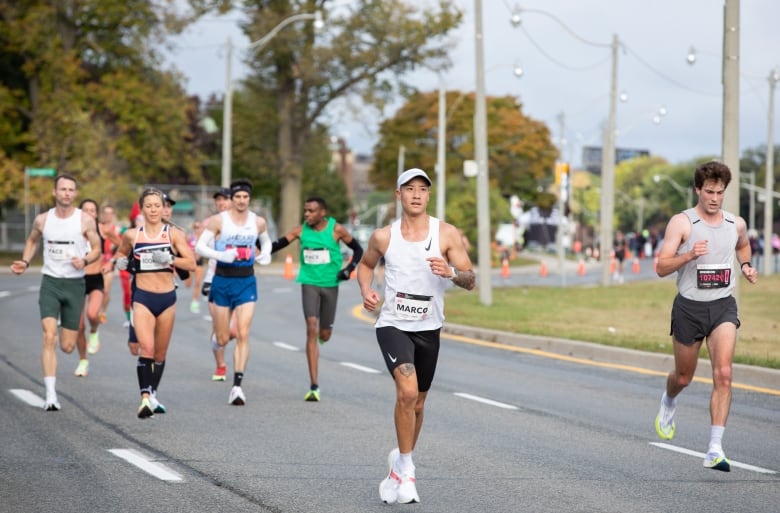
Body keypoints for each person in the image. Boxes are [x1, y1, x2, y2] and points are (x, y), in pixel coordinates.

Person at [356, 168, 475, 504]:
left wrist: (451, 272)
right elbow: (365, 266)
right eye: (410, 189)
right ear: (399, 195)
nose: (417, 195)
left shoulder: (446, 234)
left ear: (428, 195)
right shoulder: (384, 236)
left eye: (423, 189)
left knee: (418, 402)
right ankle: (407, 469)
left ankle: (399, 463)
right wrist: (366, 290)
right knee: (407, 391)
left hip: (429, 327)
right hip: (393, 323)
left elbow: (470, 278)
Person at [653, 160, 757, 472]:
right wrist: (688, 255)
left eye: (719, 192)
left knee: (724, 374)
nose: (714, 198)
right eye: (708, 191)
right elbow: (660, 267)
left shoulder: (734, 223)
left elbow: (743, 245)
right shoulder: (682, 223)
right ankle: (669, 400)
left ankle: (714, 448)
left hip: (723, 305)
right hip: (689, 308)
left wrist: (747, 266)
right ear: (698, 190)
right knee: (684, 376)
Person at [10, 174, 102, 411]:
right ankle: (51, 395)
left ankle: (64, 324)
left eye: (71, 190)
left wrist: (84, 259)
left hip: (74, 285)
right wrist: (25, 261)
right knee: (48, 337)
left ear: (75, 194)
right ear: (55, 192)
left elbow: (97, 248)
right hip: (50, 282)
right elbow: (31, 241)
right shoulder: (43, 220)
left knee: (67, 346)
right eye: (63, 189)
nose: (67, 193)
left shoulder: (85, 221)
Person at [107, 187, 196, 418]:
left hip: (167, 298)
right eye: (149, 206)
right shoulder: (132, 235)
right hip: (143, 296)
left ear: (162, 207)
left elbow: (192, 264)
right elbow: (120, 255)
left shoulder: (173, 234)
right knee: (146, 348)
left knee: (160, 354)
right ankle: (144, 397)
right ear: (142, 208)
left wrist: (171, 258)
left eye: (157, 205)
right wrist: (120, 263)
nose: (154, 210)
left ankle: (153, 393)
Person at [270, 196, 364, 401]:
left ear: (322, 212)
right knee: (311, 327)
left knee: (324, 333)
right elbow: (277, 245)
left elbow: (358, 249)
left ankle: (324, 334)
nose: (307, 214)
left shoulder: (336, 229)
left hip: (331, 283)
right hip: (309, 282)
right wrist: (258, 249)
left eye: (311, 211)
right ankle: (314, 385)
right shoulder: (300, 230)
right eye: (305, 211)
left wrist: (348, 270)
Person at [195, 179, 272, 405]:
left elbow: (266, 242)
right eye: (237, 197)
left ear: (249, 199)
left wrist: (265, 254)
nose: (241, 201)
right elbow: (200, 246)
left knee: (243, 333)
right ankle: (217, 347)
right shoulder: (220, 221)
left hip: (246, 280)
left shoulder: (257, 222)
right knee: (222, 337)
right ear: (232, 200)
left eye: (245, 197)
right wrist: (220, 256)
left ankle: (237, 386)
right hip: (222, 279)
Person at [201, 187, 239, 381]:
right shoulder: (210, 224)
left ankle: (220, 341)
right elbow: (199, 248)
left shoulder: (242, 224)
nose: (221, 203)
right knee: (221, 328)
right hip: (214, 279)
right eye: (218, 200)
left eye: (225, 199)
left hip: (238, 280)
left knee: (233, 331)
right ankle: (220, 365)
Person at [73, 199, 108, 377]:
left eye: (92, 210)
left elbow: (122, 244)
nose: (88, 213)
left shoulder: (102, 229)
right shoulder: (74, 230)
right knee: (78, 327)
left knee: (93, 314)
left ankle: (94, 331)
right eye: (85, 209)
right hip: (77, 279)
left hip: (95, 279)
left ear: (96, 213)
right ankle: (83, 360)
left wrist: (111, 262)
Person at [97, 204, 121, 324]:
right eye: (105, 213)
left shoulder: (116, 230)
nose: (107, 215)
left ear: (113, 215)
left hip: (109, 262)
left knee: (106, 290)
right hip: (96, 262)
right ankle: (95, 309)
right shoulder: (98, 227)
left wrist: (113, 255)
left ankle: (103, 311)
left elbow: (122, 246)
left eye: (110, 213)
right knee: (96, 289)